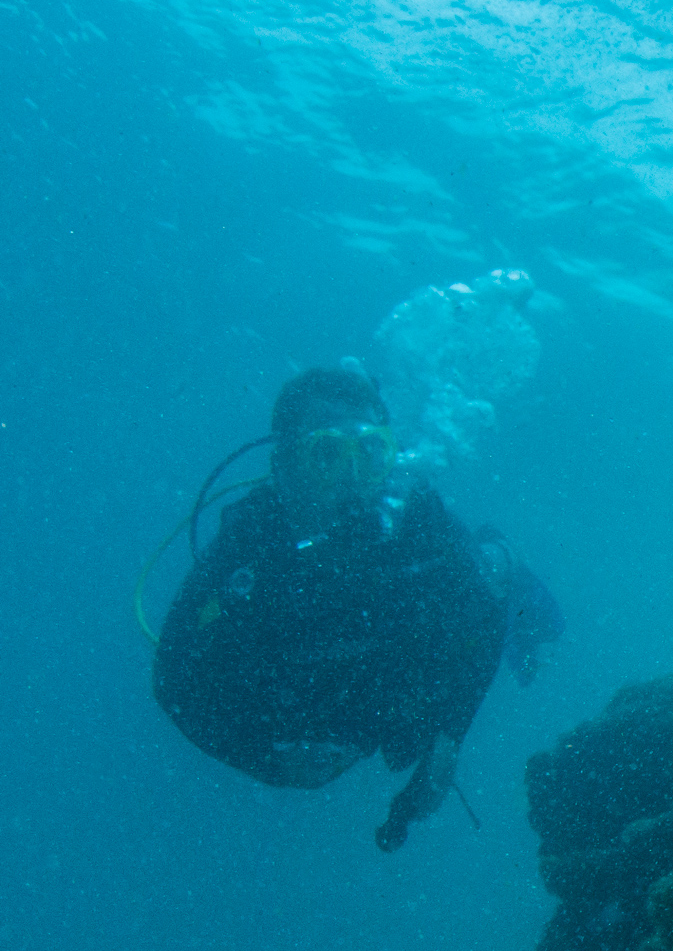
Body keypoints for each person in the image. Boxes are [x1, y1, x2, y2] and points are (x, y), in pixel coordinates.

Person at [154, 365, 539, 851]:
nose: (354, 479)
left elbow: (482, 618)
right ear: (287, 462)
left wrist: (447, 743)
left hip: (390, 680)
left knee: (490, 579)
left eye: (371, 452)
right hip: (325, 698)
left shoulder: (417, 523)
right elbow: (172, 678)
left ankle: (502, 553)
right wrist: (262, 761)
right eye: (329, 454)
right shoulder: (248, 547)